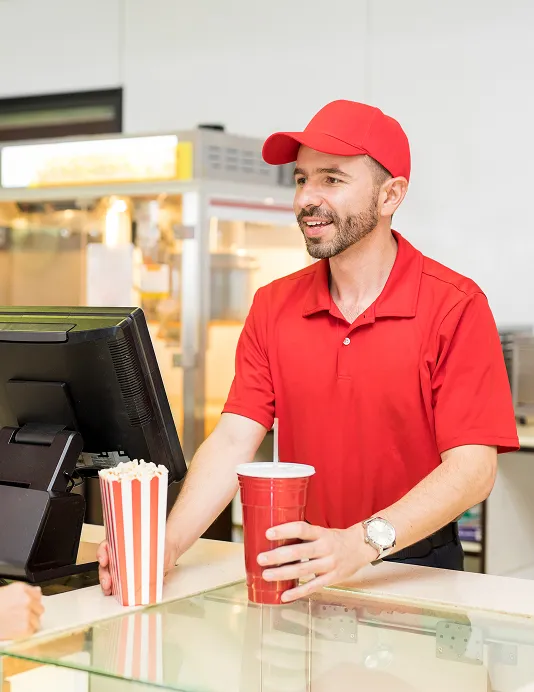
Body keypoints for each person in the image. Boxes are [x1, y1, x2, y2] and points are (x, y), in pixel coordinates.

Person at [99, 100, 519, 603]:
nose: (307, 199)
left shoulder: (456, 306)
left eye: (332, 180)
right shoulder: (274, 305)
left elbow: (473, 470)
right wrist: (166, 544)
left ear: (391, 195)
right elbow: (234, 441)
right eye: (301, 179)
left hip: (413, 567)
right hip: (301, 563)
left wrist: (362, 542)